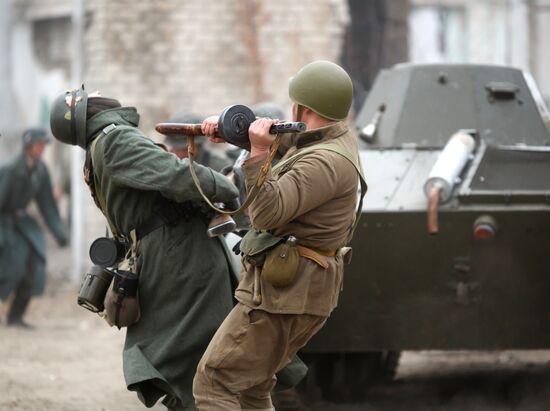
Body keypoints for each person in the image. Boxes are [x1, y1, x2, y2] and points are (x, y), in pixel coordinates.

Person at [49, 88, 239, 410]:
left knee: (193, 362)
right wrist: (225, 187)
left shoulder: (98, 148)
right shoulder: (114, 139)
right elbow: (175, 173)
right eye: (90, 94)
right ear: (85, 110)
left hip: (165, 258)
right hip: (182, 260)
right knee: (200, 362)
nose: (97, 91)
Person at [193, 60, 366, 410]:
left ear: (303, 107)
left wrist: (257, 153)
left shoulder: (325, 162)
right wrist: (235, 131)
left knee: (215, 382)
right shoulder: (331, 138)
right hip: (295, 292)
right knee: (252, 387)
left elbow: (267, 212)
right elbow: (294, 141)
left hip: (283, 296)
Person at [0, 128, 68, 328]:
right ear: (28, 146)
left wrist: (59, 233)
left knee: (35, 264)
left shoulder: (40, 170)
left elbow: (47, 203)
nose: (41, 149)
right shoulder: (11, 169)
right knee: (10, 265)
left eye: (43, 145)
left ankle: (15, 316)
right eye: (37, 144)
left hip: (21, 223)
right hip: (4, 223)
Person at [163, 111, 232, 172]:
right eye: (176, 148)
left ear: (198, 145)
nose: (181, 154)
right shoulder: (165, 163)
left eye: (185, 149)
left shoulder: (219, 165)